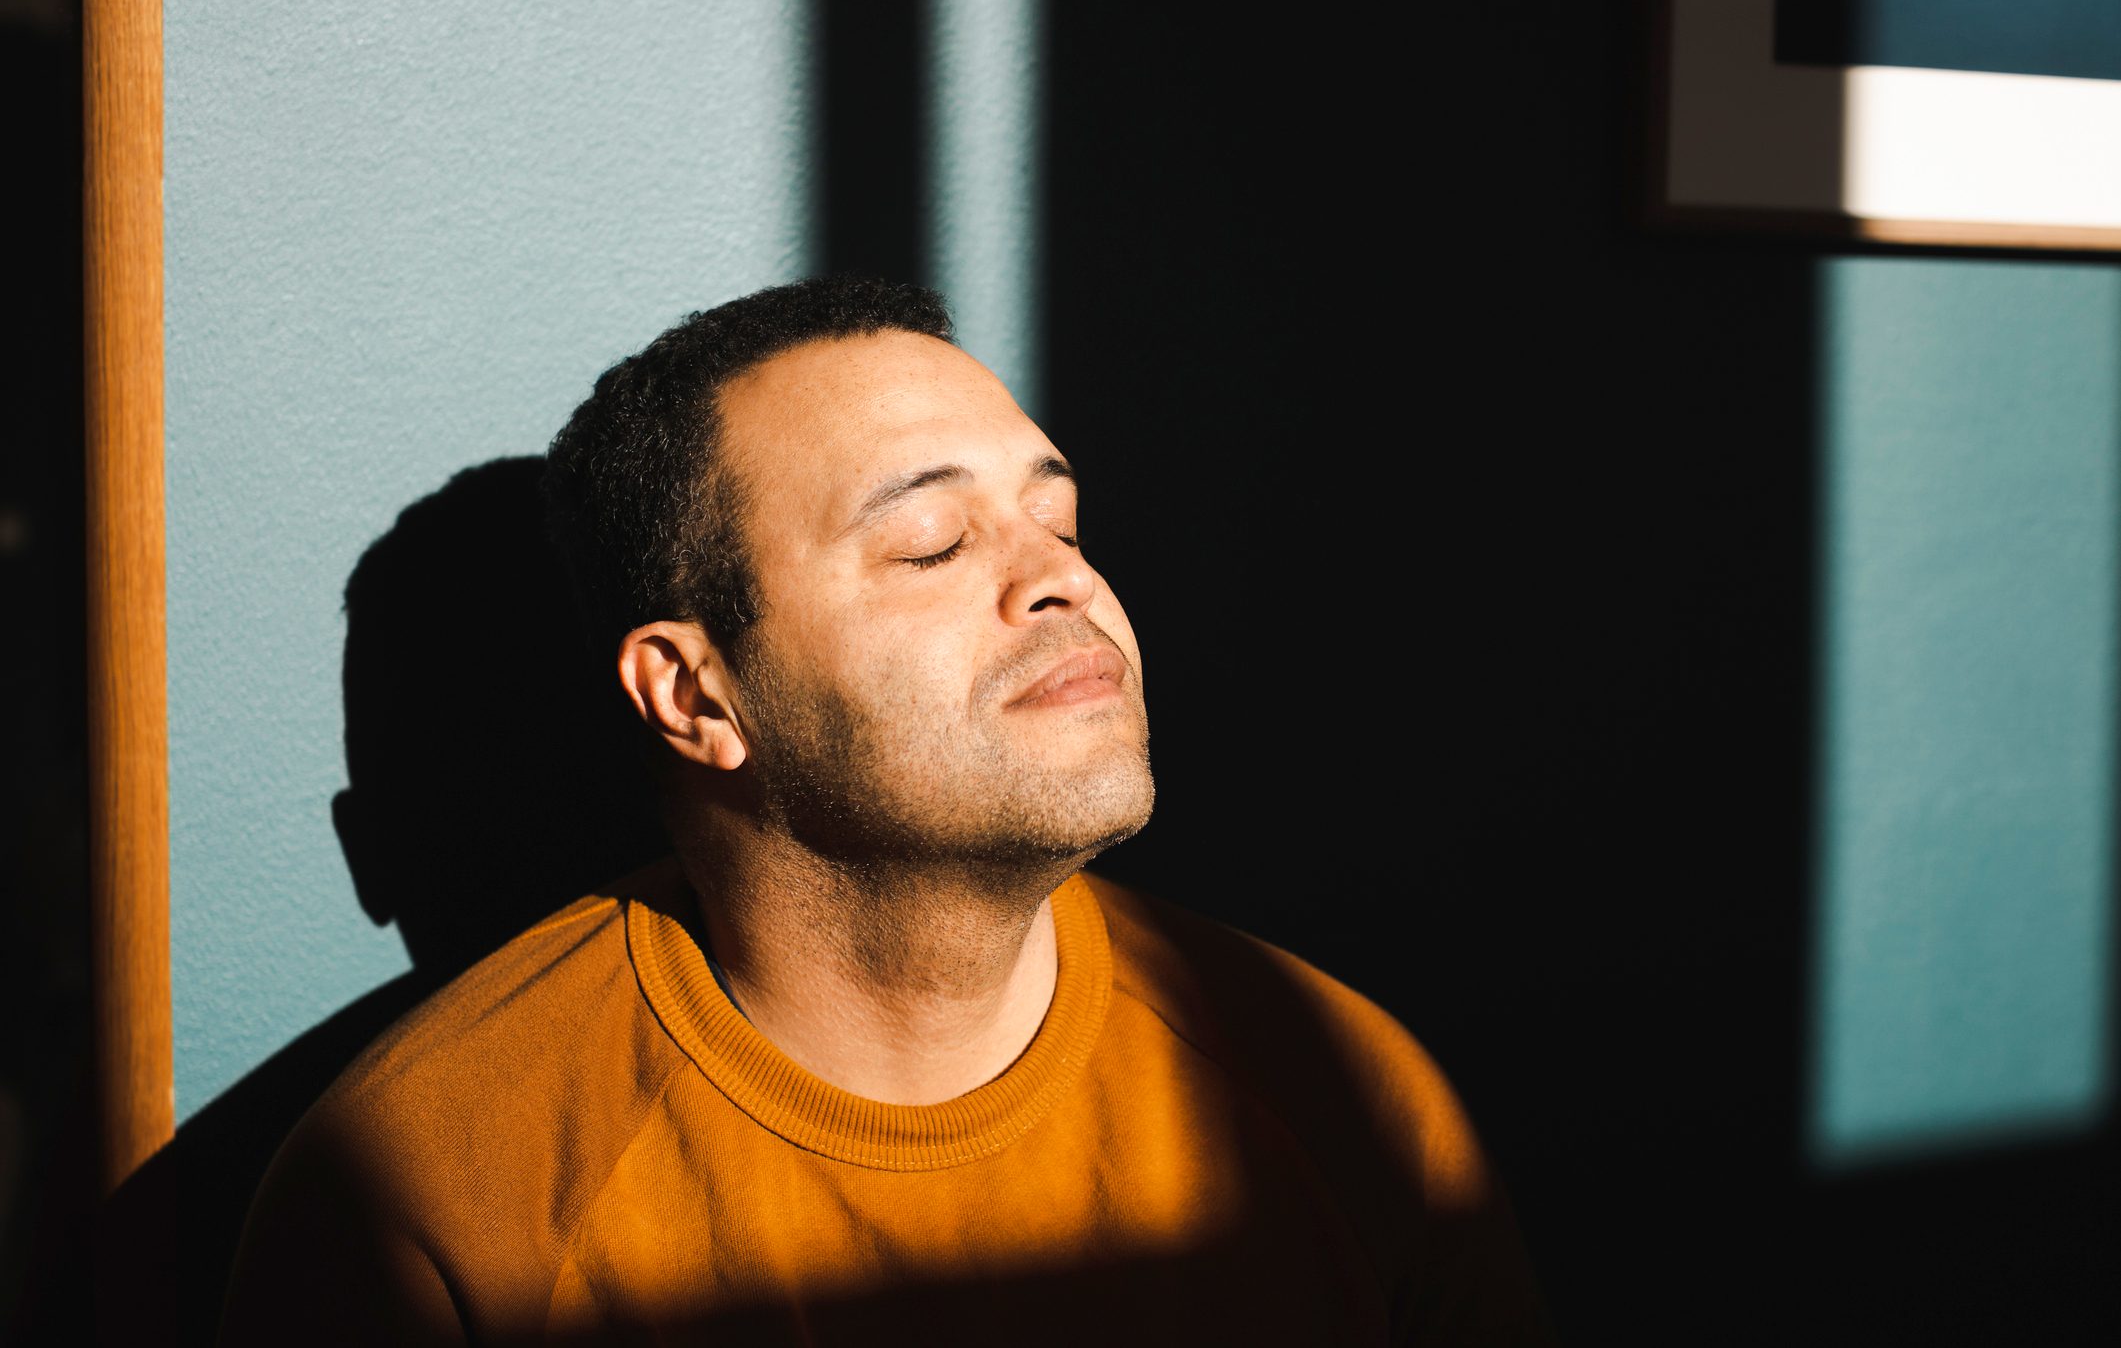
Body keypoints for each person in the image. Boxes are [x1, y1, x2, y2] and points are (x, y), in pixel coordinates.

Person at [219, 279, 1548, 1345]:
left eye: (1060, 518)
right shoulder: (431, 1193)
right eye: (931, 545)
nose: (1059, 584)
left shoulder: (1342, 1097)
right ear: (693, 694)